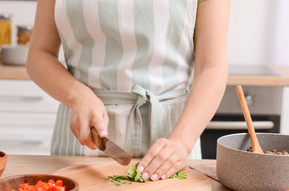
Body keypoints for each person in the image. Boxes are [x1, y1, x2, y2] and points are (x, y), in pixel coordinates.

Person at [26, 0, 231, 181]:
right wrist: (77, 95)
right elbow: (39, 55)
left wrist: (181, 142)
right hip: (80, 143)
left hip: (173, 142)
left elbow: (212, 67)